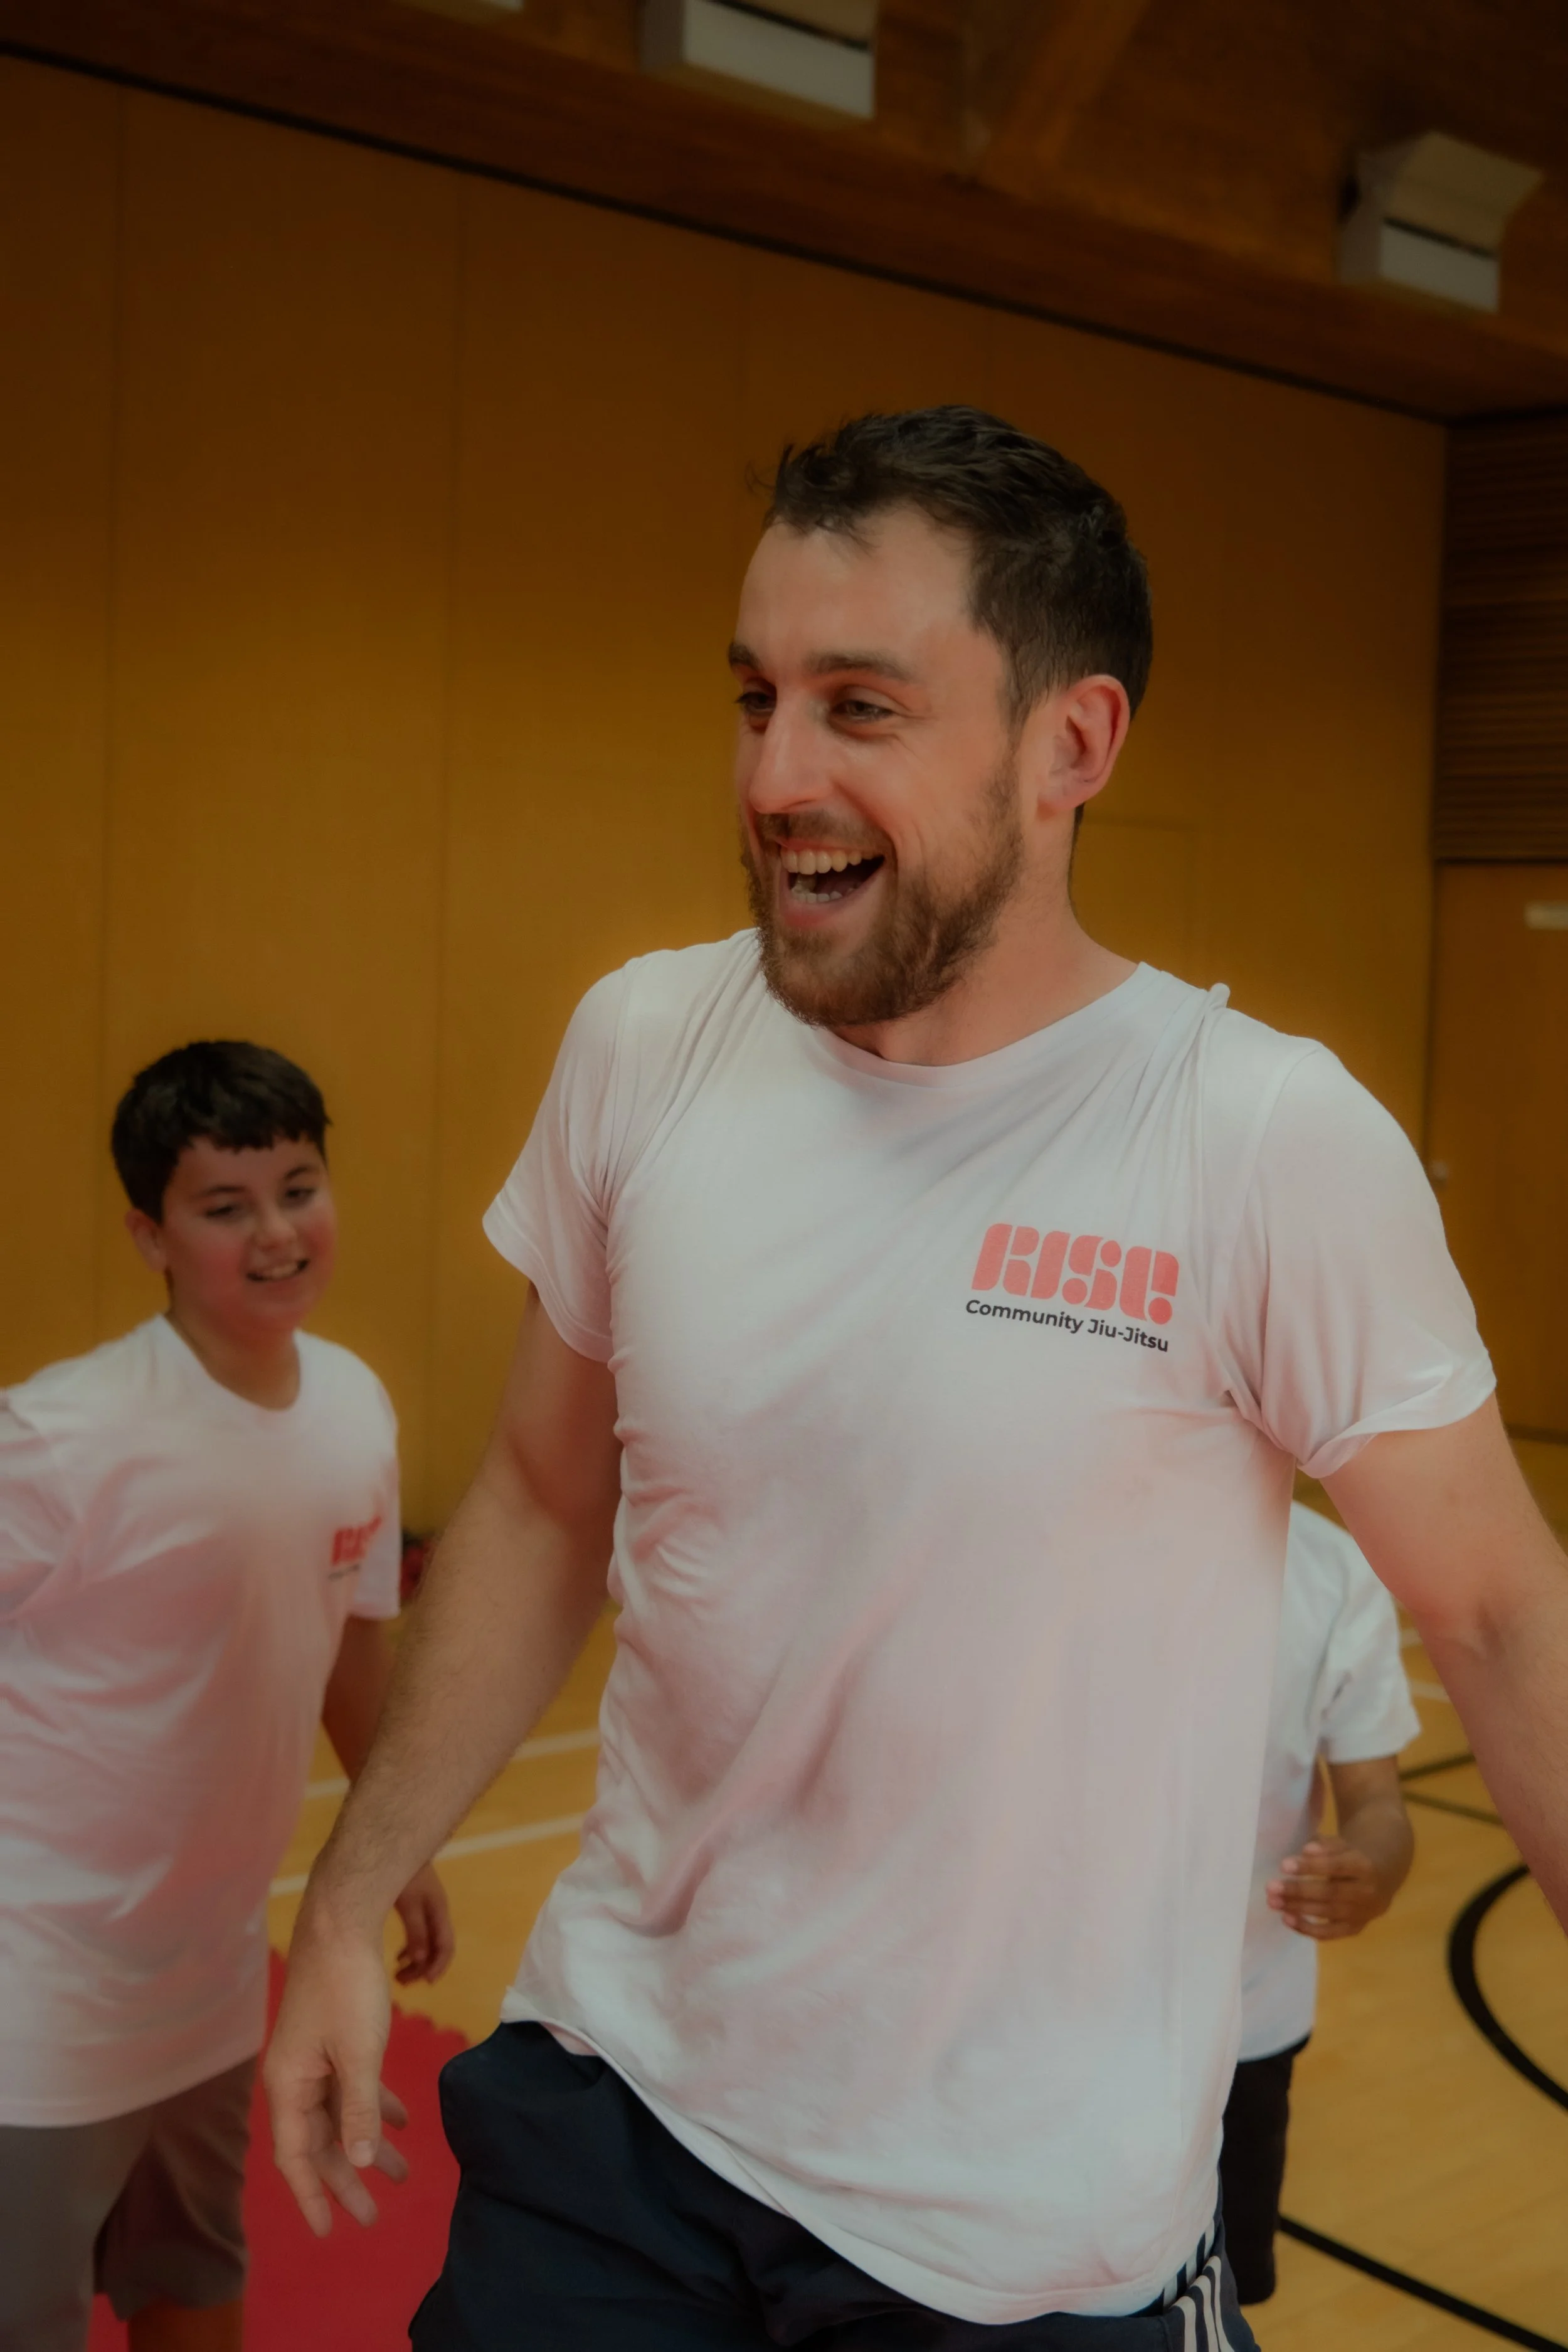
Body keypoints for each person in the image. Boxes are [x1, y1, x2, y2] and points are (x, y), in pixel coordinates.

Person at [267, 406, 1568, 2351]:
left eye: (857, 705)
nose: (774, 774)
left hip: (1014, 2234)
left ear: (1070, 746)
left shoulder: (1253, 1140)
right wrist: (350, 1891)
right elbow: (545, 1497)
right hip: (620, 2108)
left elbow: (1491, 1609)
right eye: (753, 694)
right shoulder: (647, 1042)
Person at [0, 1041, 453, 2352]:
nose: (276, 1234)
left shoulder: (355, 1410)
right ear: (150, 1235)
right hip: (36, 2001)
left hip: (203, 1988)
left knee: (193, 2286)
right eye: (224, 1207)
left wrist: (394, 1833)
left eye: (299, 1189)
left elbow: (353, 1646)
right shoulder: (61, 1440)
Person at [1220, 1500, 1419, 2305]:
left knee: (1224, 2289)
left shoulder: (1333, 1571)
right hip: (1041, 2018)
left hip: (1247, 2019)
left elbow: (1377, 1800)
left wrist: (1372, 1865)